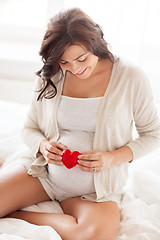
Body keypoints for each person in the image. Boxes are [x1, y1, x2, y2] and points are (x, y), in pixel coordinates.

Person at [0, 8, 160, 240]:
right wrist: (43, 146)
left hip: (96, 191)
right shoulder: (51, 73)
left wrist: (111, 158)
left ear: (99, 43)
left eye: (81, 58)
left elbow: (153, 134)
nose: (74, 69)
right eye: (65, 62)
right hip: (43, 175)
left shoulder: (131, 77)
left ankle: (17, 213)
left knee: (94, 236)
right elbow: (29, 129)